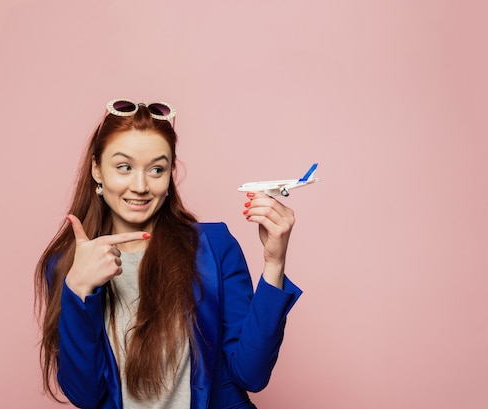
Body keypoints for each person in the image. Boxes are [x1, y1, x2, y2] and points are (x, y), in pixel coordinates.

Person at [34, 99, 302, 409]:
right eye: (124, 167)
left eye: (156, 169)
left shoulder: (213, 246)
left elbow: (251, 375)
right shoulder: (66, 264)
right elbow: (86, 395)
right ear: (97, 169)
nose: (140, 185)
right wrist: (78, 290)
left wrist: (274, 263)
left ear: (170, 173)